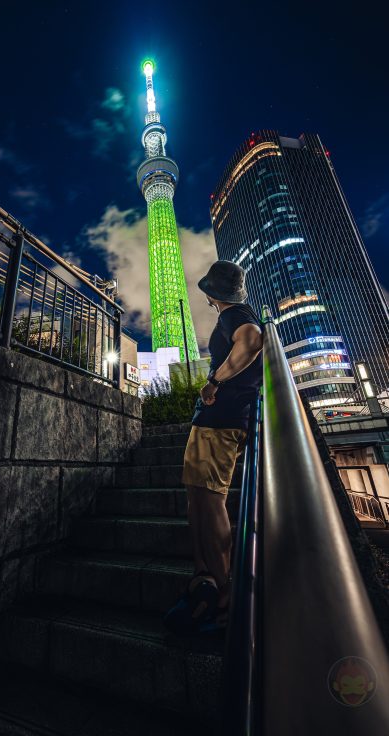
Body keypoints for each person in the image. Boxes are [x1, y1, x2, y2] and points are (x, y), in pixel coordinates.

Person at [182, 259, 263, 627]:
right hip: (214, 421)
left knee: (211, 498)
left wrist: (214, 380)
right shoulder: (233, 311)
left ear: (213, 293)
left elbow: (251, 342)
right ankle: (207, 578)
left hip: (222, 418)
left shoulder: (237, 314)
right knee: (198, 494)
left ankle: (228, 592)